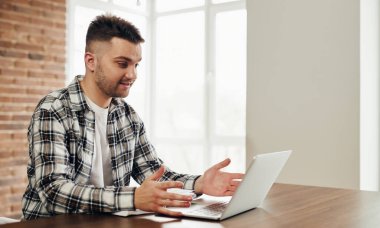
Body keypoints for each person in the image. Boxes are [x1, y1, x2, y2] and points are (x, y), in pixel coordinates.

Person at [21, 14, 244, 220]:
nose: (132, 75)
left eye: (136, 65)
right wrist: (133, 198)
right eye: (122, 64)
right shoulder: (54, 110)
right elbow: (54, 192)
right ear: (91, 61)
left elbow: (153, 174)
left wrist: (199, 184)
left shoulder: (127, 115)